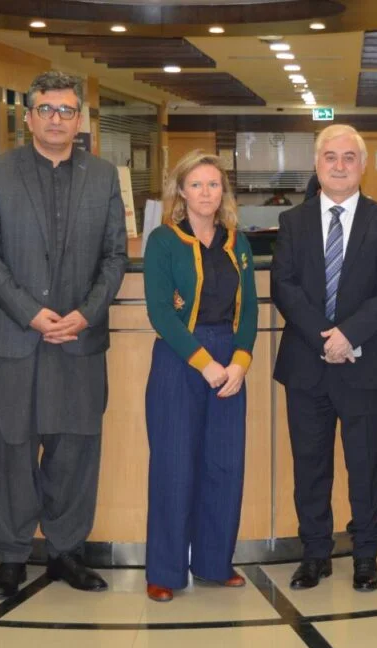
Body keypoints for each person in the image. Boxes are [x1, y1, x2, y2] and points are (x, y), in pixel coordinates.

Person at [0, 71, 128, 599]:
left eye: (66, 110)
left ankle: (66, 551)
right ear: (28, 117)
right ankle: (12, 555)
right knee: (10, 450)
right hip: (14, 339)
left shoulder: (103, 176)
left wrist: (86, 313)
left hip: (79, 340)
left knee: (74, 451)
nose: (56, 119)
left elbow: (115, 255)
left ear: (79, 119)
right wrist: (30, 313)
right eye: (46, 109)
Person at [271, 124, 377, 591]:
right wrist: (323, 338)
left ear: (363, 166)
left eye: (349, 157)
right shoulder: (293, 221)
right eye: (330, 156)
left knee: (366, 466)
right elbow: (284, 286)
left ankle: (366, 555)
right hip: (306, 364)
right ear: (317, 164)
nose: (339, 165)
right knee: (310, 465)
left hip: (365, 364)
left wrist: (348, 335)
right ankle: (315, 554)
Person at [142, 151, 258, 602]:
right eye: (196, 185)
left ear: (222, 192)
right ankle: (165, 571)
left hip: (230, 362)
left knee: (224, 466)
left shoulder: (237, 243)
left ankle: (214, 563)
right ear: (181, 191)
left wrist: (240, 362)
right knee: (174, 466)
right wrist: (204, 362)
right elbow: (160, 312)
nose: (206, 193)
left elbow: (249, 309)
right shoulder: (163, 241)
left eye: (213, 184)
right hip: (180, 359)